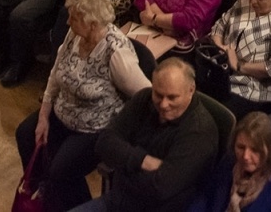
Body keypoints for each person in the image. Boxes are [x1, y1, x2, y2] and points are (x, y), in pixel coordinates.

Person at [18, 0, 152, 212]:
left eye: (74, 18)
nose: (68, 22)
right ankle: (46, 193)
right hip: (64, 112)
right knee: (25, 134)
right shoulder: (75, 34)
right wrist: (43, 116)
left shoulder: (116, 52)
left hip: (95, 129)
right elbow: (56, 73)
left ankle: (75, 205)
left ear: (92, 24)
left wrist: (126, 135)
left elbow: (145, 96)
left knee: (61, 169)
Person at [92, 58, 219, 212]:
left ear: (191, 90)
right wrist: (143, 160)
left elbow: (160, 189)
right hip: (118, 200)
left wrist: (123, 165)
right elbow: (104, 142)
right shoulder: (144, 98)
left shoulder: (200, 132)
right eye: (158, 95)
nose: (164, 104)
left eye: (172, 97)